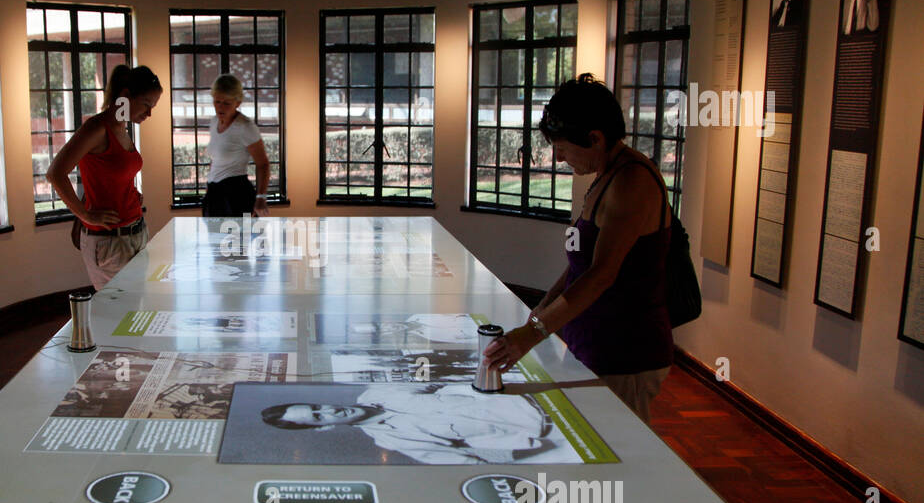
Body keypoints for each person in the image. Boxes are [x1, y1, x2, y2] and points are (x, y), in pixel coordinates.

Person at [482, 74, 673, 422]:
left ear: (595, 138)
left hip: (624, 354)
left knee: (616, 457)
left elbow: (601, 275)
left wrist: (532, 334)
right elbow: (580, 264)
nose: (558, 158)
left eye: (562, 147)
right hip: (593, 345)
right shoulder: (606, 176)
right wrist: (545, 305)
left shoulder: (631, 182)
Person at [46, 64, 161, 290]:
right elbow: (55, 174)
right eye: (146, 105)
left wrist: (132, 193)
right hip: (109, 242)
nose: (149, 113)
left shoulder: (122, 128)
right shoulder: (97, 129)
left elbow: (114, 174)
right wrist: (85, 215)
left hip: (134, 233)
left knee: (135, 311)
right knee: (118, 315)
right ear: (126, 96)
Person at [260, 384, 560, 464]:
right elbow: (466, 463)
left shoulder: (379, 391)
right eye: (317, 417)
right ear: (322, 428)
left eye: (316, 406)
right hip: (554, 437)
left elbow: (442, 379)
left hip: (542, 396)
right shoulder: (392, 443)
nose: (328, 410)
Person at [201, 74, 271, 217]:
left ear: (237, 103)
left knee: (240, 239)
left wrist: (261, 198)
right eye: (217, 101)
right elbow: (215, 160)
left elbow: (263, 164)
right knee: (214, 239)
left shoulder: (245, 127)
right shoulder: (214, 122)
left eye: (226, 103)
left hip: (237, 194)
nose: (220, 107)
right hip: (215, 193)